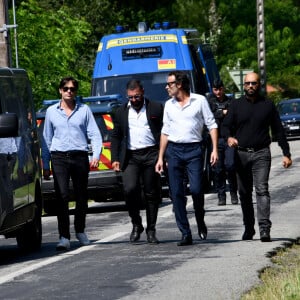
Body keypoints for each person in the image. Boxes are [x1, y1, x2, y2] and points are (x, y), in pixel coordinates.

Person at [222, 72, 292, 242]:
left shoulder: (267, 105)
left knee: (262, 190)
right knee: (244, 193)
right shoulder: (236, 105)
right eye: (247, 84)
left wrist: (286, 153)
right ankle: (248, 227)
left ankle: (264, 229)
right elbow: (225, 126)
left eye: (254, 83)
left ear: (259, 85)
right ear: (243, 86)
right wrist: (229, 138)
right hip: (241, 154)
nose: (250, 86)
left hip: (261, 153)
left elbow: (278, 130)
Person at [155, 71, 218, 246]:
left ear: (180, 84)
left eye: (169, 84)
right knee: (176, 193)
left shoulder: (200, 101)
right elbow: (165, 131)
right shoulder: (168, 105)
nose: (166, 87)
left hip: (194, 150)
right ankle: (185, 232)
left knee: (197, 189)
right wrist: (160, 157)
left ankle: (200, 218)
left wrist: (214, 150)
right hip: (174, 151)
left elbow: (211, 125)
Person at [42, 76, 102, 250]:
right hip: (59, 157)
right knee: (62, 196)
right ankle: (64, 236)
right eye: (66, 89)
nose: (69, 92)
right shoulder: (52, 112)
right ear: (60, 90)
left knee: (81, 196)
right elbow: (46, 139)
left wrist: (96, 155)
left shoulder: (84, 110)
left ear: (76, 92)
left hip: (79, 156)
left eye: (72, 89)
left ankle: (80, 230)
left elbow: (95, 134)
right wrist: (46, 165)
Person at [111, 79, 163, 244]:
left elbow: (164, 132)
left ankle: (151, 229)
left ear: (143, 92)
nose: (134, 100)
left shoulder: (155, 107)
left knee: (151, 192)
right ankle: (136, 224)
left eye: (137, 97)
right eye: (131, 97)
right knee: (130, 189)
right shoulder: (120, 112)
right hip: (131, 157)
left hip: (151, 154)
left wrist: (163, 156)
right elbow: (116, 136)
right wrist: (115, 159)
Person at [207, 79, 238, 205]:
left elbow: (234, 115)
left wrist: (221, 114)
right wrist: (222, 113)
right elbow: (209, 116)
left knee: (230, 165)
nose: (218, 92)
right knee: (218, 169)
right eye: (215, 89)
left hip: (228, 138)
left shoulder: (231, 101)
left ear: (223, 89)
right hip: (215, 139)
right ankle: (221, 195)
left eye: (220, 89)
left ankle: (233, 192)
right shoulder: (209, 102)